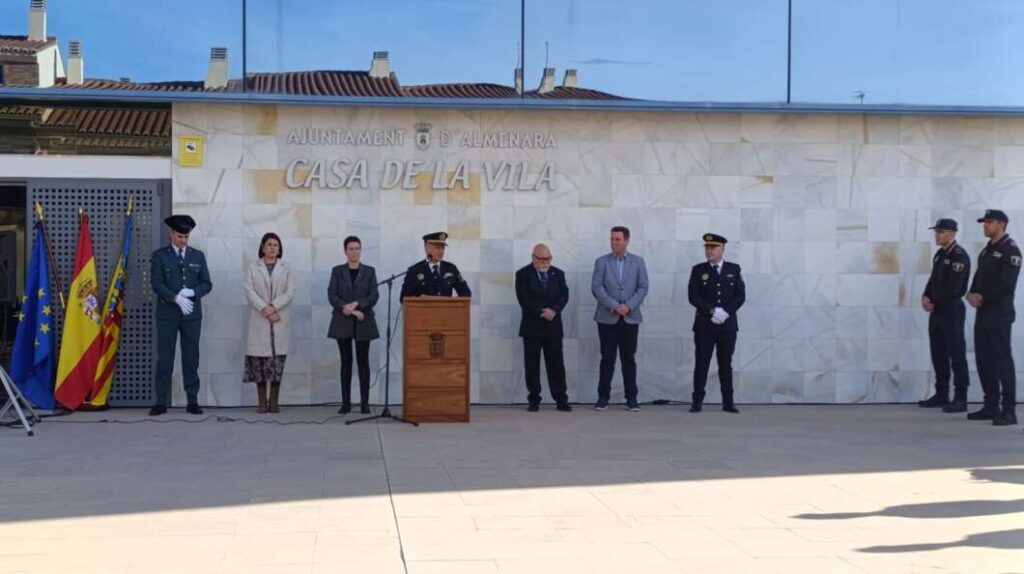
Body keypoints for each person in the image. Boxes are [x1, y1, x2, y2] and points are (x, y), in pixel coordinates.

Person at [149, 215, 213, 416]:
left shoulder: (197, 256)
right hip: (168, 313)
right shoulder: (160, 256)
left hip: (191, 315)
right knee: (165, 358)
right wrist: (175, 297)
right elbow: (156, 283)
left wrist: (193, 292)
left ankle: (192, 400)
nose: (183, 240)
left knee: (191, 358)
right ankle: (161, 401)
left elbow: (207, 283)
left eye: (186, 237)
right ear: (171, 234)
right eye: (179, 236)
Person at [967, 209, 1021, 427]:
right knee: (984, 360)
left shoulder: (1011, 250)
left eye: (989, 222)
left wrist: (983, 296)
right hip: (983, 312)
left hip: (999, 312)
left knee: (1001, 361)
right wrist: (971, 293)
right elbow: (979, 276)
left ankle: (1009, 410)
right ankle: (991, 405)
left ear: (1002, 224)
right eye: (984, 222)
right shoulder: (987, 250)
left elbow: (1007, 286)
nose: (985, 226)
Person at [591, 226, 648, 412]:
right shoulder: (602, 262)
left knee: (628, 359)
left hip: (630, 318)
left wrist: (628, 306)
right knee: (607, 358)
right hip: (607, 318)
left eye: (617, 239)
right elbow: (597, 287)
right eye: (612, 239)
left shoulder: (638, 262)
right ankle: (602, 398)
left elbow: (643, 287)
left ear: (626, 241)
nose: (614, 242)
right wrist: (615, 306)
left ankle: (632, 398)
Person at [688, 233, 745, 414]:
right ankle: (697, 401)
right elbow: (693, 296)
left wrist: (725, 312)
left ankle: (728, 402)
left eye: (713, 247)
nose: (709, 251)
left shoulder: (734, 269)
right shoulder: (698, 270)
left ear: (722, 249)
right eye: (707, 247)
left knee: (725, 364)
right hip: (705, 325)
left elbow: (740, 295)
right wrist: (712, 311)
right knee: (702, 363)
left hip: (727, 326)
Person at [919, 219, 971, 413]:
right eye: (936, 231)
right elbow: (933, 280)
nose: (937, 235)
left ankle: (960, 397)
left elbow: (954, 288)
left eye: (941, 232)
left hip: (951, 310)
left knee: (956, 354)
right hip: (937, 310)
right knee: (938, 353)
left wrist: (934, 301)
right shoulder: (940, 254)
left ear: (952, 233)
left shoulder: (959, 256)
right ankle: (941, 394)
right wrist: (925, 297)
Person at [515, 243, 571, 412]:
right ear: (533, 258)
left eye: (548, 259)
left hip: (553, 327)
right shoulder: (523, 274)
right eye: (541, 259)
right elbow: (523, 298)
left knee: (557, 364)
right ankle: (534, 399)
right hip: (532, 327)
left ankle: (561, 399)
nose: (545, 262)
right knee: (532, 365)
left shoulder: (558, 274)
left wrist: (554, 311)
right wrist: (541, 312)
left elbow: (564, 295)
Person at [328, 236, 380, 414]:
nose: (354, 251)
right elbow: (332, 295)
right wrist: (349, 309)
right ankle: (346, 403)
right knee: (346, 362)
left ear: (361, 250)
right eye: (350, 248)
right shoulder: (337, 271)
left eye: (357, 248)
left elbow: (373, 296)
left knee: (363, 361)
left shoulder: (370, 271)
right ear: (345, 251)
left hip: (363, 320)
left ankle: (364, 403)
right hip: (342, 320)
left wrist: (356, 304)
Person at [243, 233, 295, 414]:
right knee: (259, 361)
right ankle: (261, 402)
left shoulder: (286, 267)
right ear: (263, 247)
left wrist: (273, 307)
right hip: (260, 318)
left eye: (276, 245)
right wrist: (265, 309)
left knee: (276, 361)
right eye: (269, 245)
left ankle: (274, 401)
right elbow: (249, 291)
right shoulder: (253, 266)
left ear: (279, 248)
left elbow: (289, 293)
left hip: (279, 318)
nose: (273, 248)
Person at [400, 232, 472, 299]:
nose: (441, 251)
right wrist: (421, 298)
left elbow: (466, 293)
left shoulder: (451, 268)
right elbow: (404, 298)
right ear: (426, 247)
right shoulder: (414, 270)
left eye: (443, 248)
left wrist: (451, 302)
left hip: (446, 312)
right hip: (423, 312)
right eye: (437, 247)